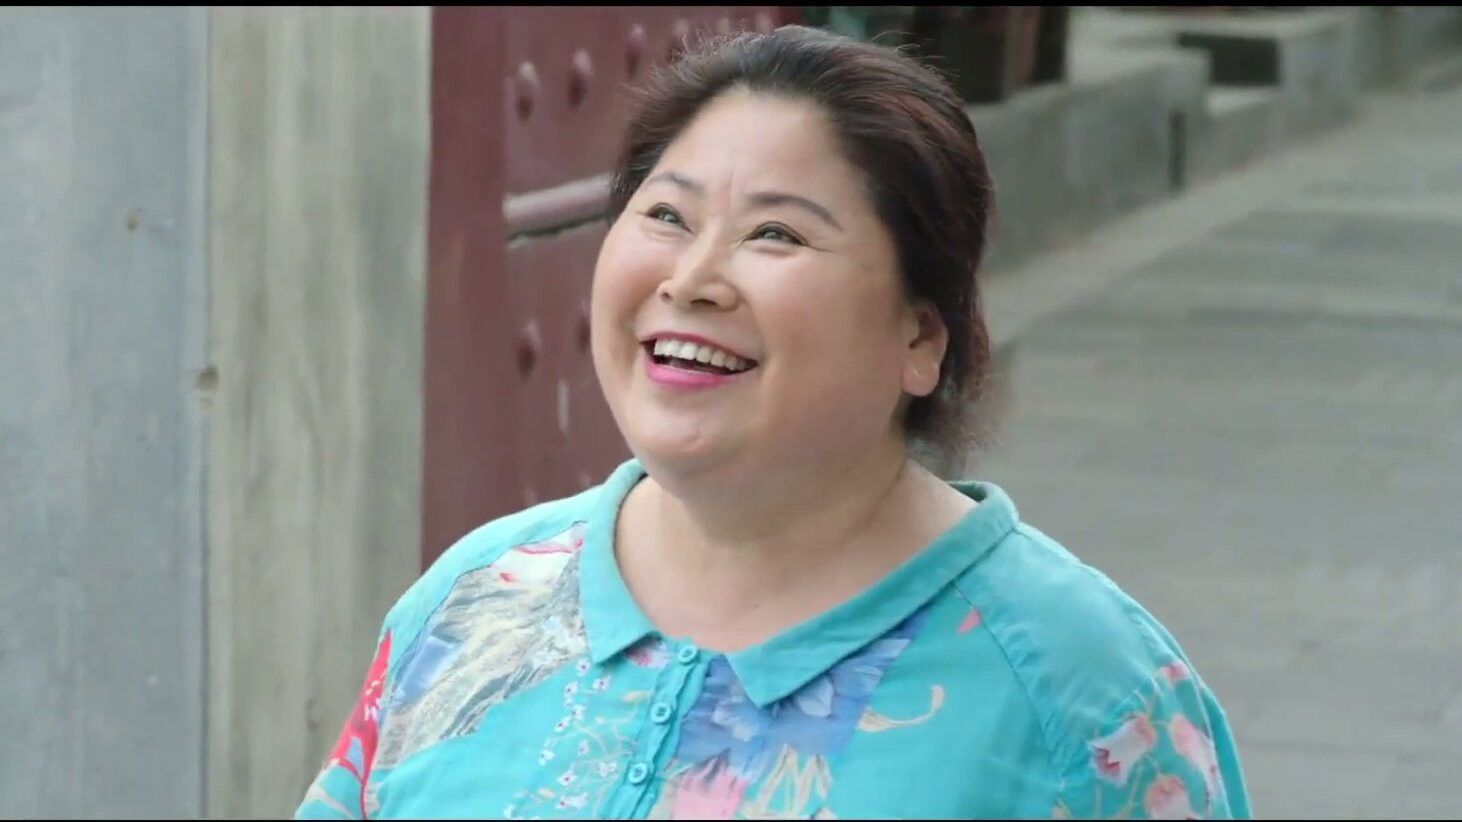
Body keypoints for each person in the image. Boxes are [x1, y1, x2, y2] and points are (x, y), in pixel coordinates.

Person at [296, 24, 1252, 820]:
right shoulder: (478, 602)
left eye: (775, 233)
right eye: (665, 216)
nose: (691, 280)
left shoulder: (1084, 696)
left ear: (921, 338)